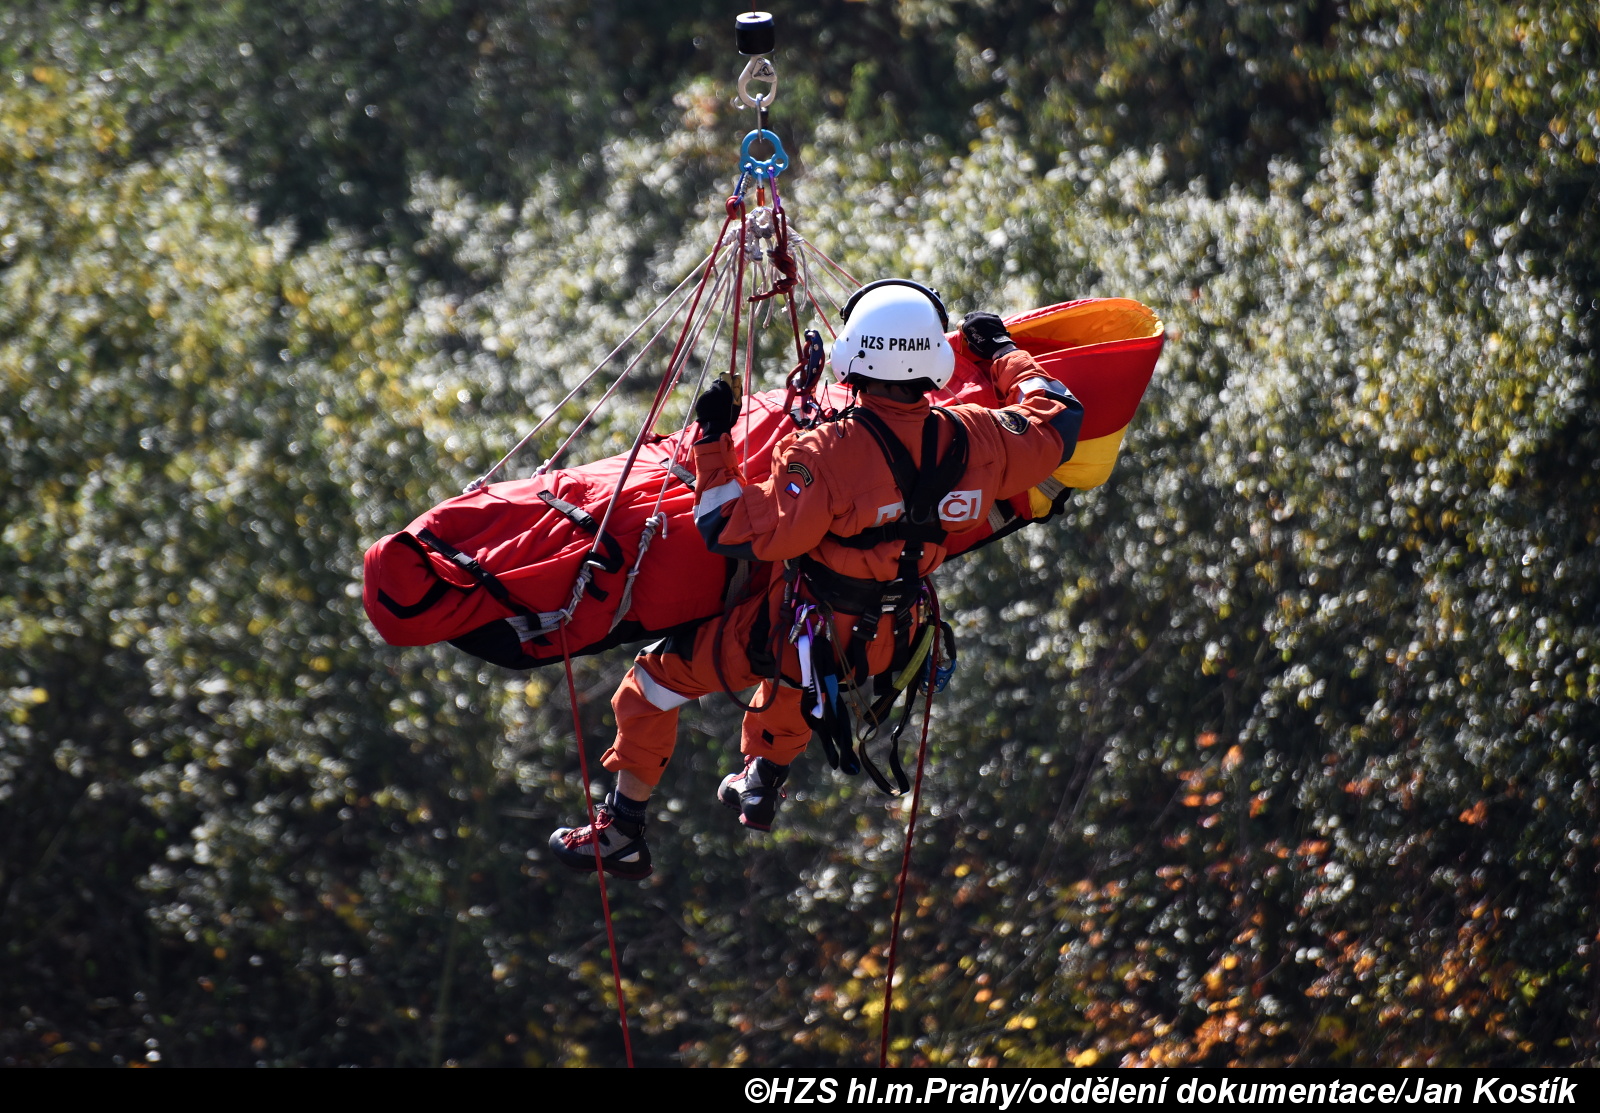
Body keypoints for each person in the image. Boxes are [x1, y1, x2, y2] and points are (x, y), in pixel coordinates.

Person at [548, 280, 1084, 879]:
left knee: (654, 683)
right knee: (801, 679)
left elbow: (728, 527)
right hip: (896, 635)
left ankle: (623, 831)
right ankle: (763, 780)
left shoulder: (823, 453)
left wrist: (714, 443)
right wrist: (1001, 351)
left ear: (853, 356)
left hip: (811, 625)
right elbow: (1059, 416)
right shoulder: (979, 435)